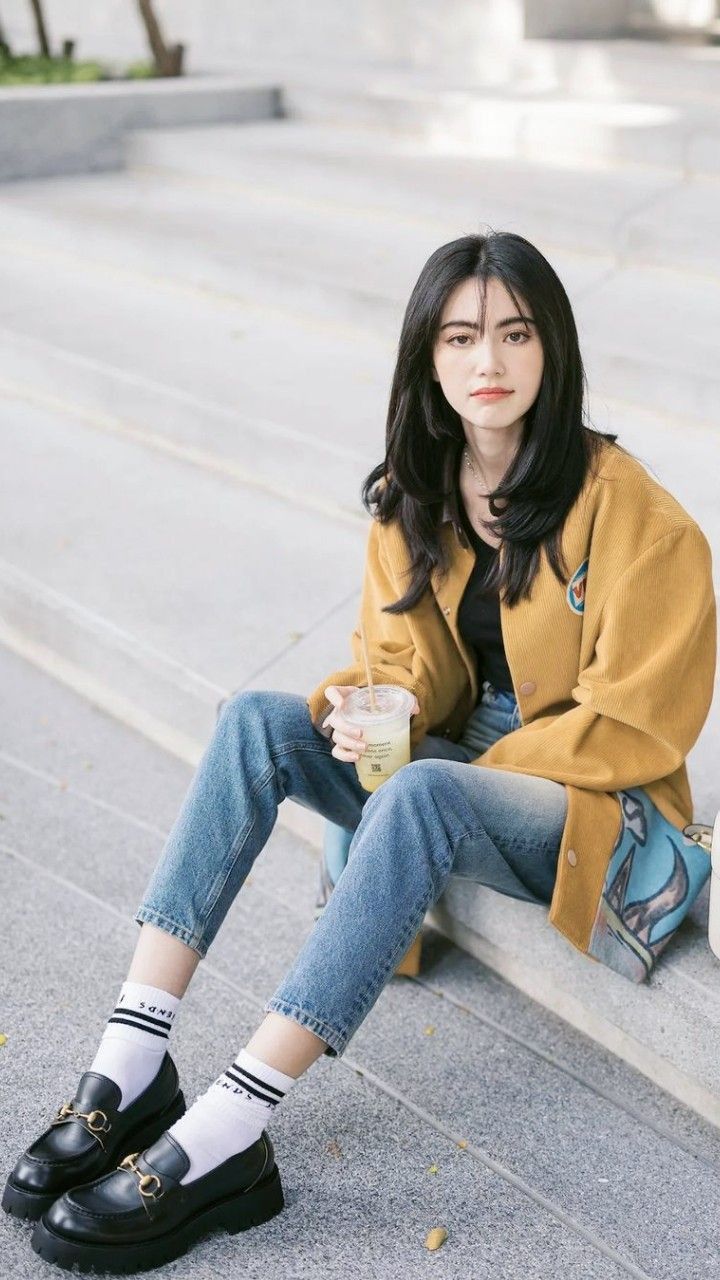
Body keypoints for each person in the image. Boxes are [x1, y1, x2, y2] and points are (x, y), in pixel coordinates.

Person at [3, 231, 715, 1274]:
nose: (490, 362)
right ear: (426, 357)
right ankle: (130, 1059)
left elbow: (639, 722)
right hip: (445, 758)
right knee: (257, 719)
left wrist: (449, 764)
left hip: (588, 795)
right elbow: (399, 664)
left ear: (552, 351)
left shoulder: (639, 515)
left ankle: (230, 1131)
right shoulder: (415, 491)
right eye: (463, 336)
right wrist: (364, 709)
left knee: (423, 793)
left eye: (516, 334)